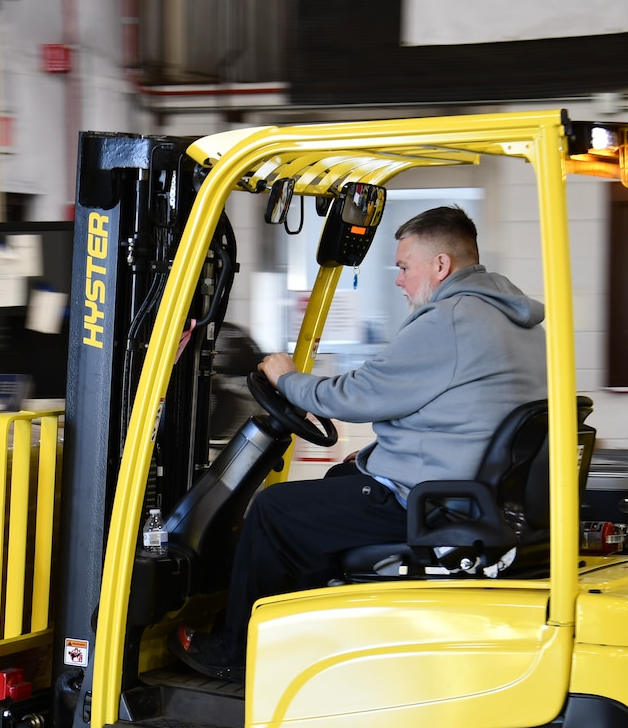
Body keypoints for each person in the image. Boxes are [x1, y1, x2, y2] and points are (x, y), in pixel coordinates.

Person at [171, 205, 548, 679]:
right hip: (472, 491)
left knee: (275, 511)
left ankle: (235, 652)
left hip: (430, 500)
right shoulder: (518, 321)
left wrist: (288, 379)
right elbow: (450, 412)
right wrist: (371, 457)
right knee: (338, 480)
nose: (399, 280)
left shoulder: (450, 320)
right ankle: (303, 640)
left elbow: (355, 394)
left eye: (404, 267)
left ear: (441, 266)